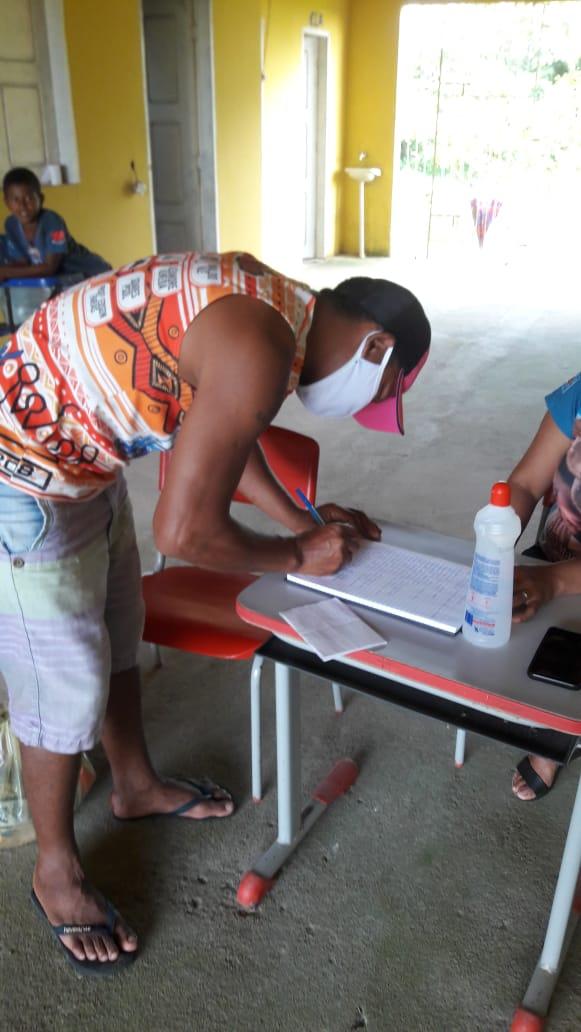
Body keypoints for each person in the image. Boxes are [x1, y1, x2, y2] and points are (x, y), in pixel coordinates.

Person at [0, 251, 430, 974]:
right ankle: (55, 873)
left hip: (81, 455)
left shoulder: (278, 307)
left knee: (117, 627)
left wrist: (298, 520)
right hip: (24, 470)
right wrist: (297, 558)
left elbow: (227, 428)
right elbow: (185, 534)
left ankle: (134, 786)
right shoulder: (259, 345)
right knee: (61, 682)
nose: (362, 409)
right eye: (377, 393)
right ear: (376, 345)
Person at [509, 371, 581, 801]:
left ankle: (551, 743)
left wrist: (552, 582)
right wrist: (496, 541)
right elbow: (524, 484)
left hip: (555, 578)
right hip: (550, 560)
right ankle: (548, 725)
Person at [0, 167, 110, 282]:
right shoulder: (11, 225)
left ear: (41, 199)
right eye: (15, 200)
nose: (22, 206)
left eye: (29, 199)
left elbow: (50, 267)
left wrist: (6, 272)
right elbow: (23, 263)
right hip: (64, 281)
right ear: (7, 203)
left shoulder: (52, 222)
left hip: (93, 274)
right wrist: (5, 270)